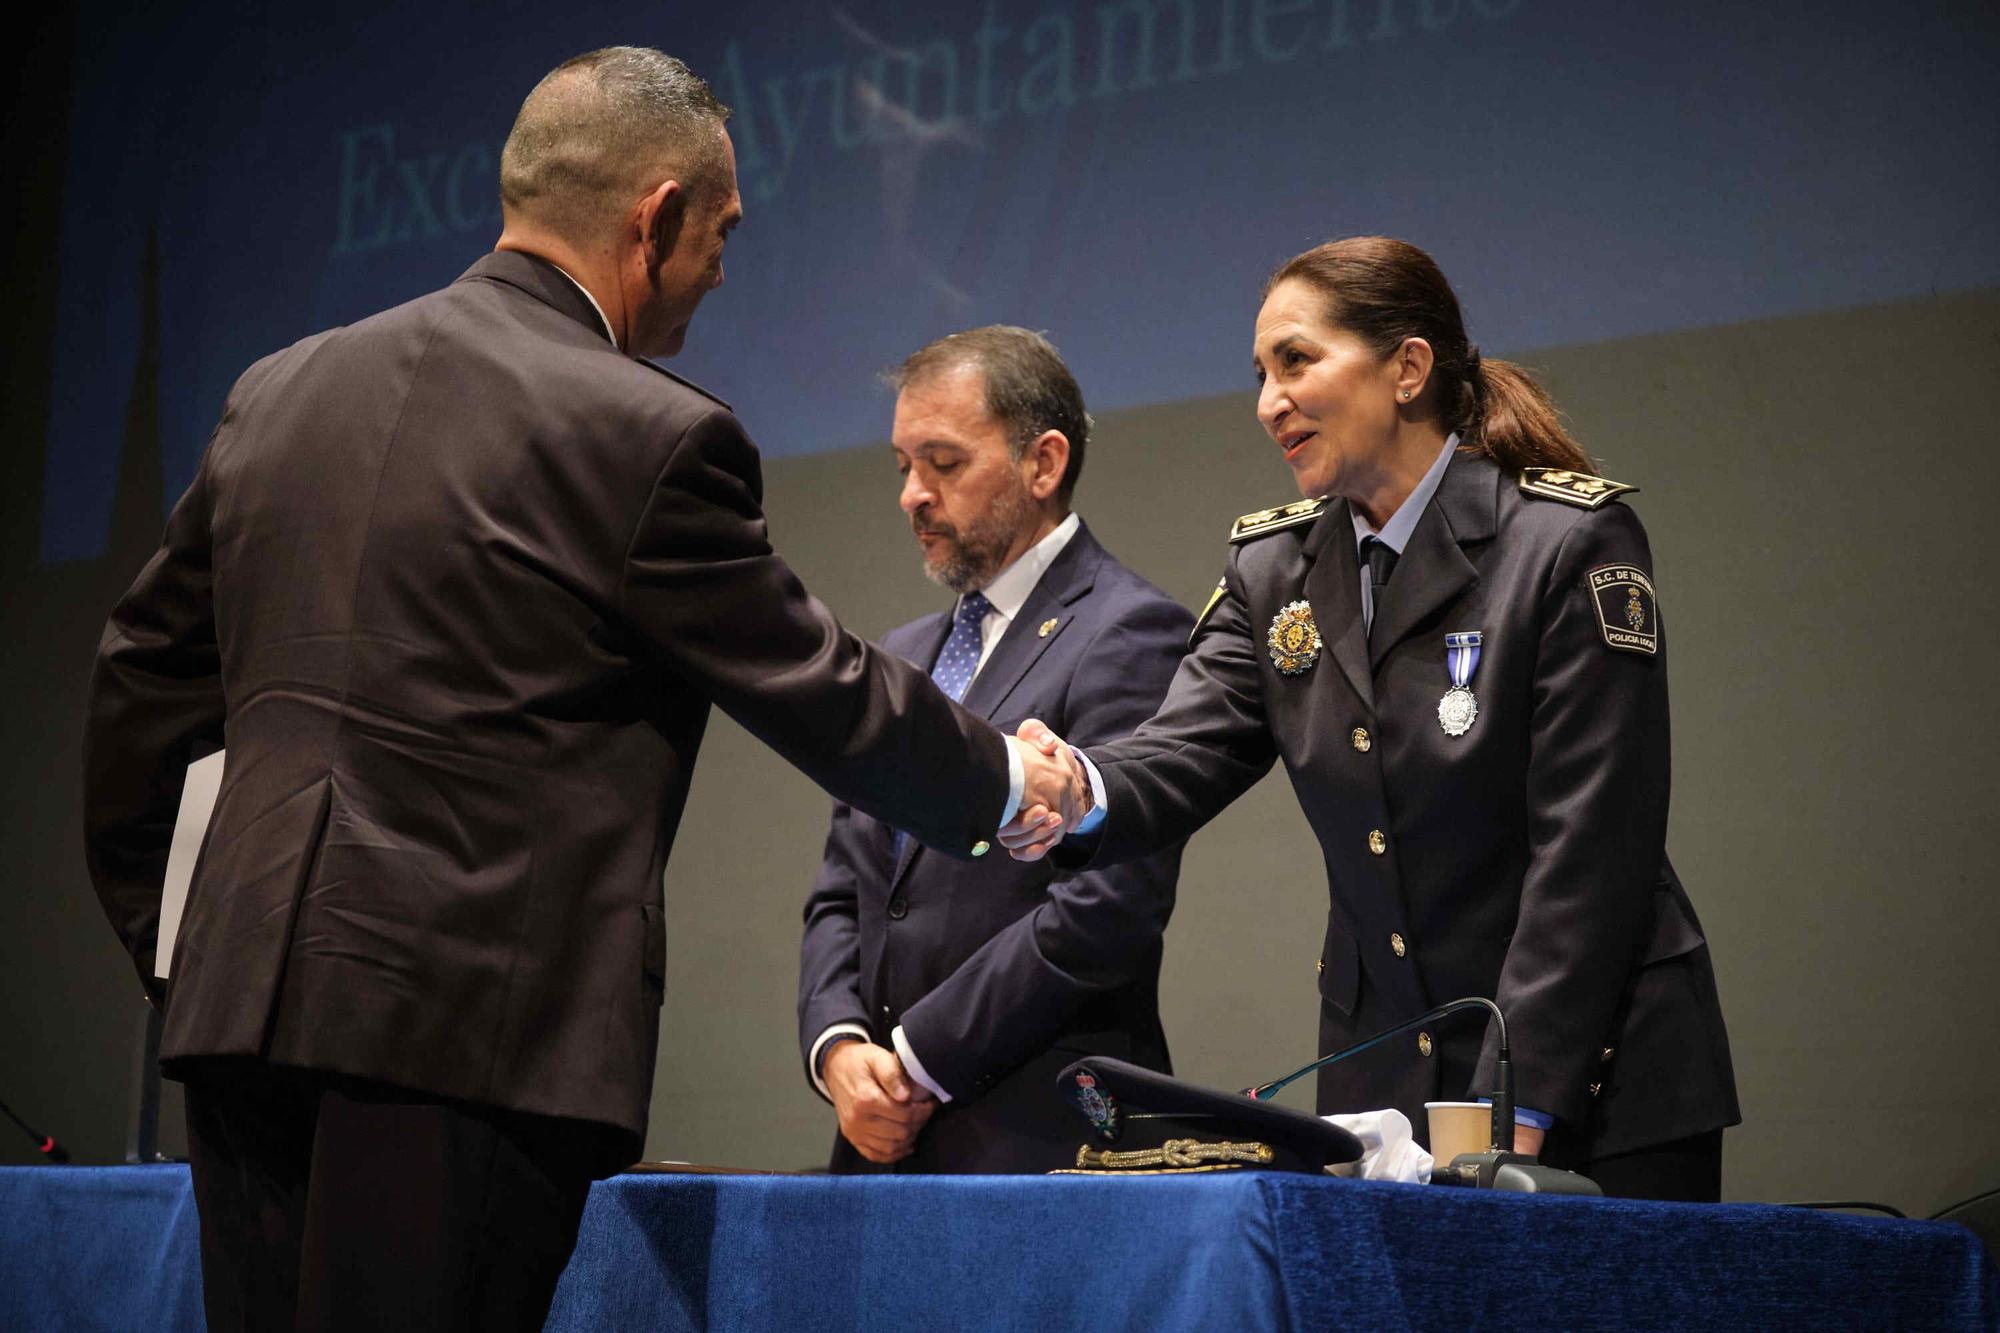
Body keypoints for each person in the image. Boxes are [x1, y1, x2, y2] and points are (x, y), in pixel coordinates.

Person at [81, 47, 1084, 1332]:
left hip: (240, 1028)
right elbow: (817, 685)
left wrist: (191, 951)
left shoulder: (276, 391)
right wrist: (1005, 778)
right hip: (459, 1041)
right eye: (719, 234)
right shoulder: (643, 432)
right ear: (654, 217)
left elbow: (139, 695)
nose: (722, 271)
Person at [1005, 237, 1739, 1201]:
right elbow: (1179, 751)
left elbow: (1592, 856)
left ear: (1408, 367)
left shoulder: (1564, 543)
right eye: (1260, 374)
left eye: (1296, 362)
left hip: (1592, 1079)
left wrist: (1511, 1119)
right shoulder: (1275, 571)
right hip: (1386, 1090)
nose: (1269, 402)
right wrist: (1076, 785)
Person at [797, 327, 1191, 1172]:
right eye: (902, 465)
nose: (911, 494)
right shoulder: (900, 655)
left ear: (1043, 464)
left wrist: (916, 1059)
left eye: (941, 462)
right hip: (881, 1146)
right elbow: (845, 890)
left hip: (1043, 1146)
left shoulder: (1131, 631)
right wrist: (839, 1050)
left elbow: (1105, 909)